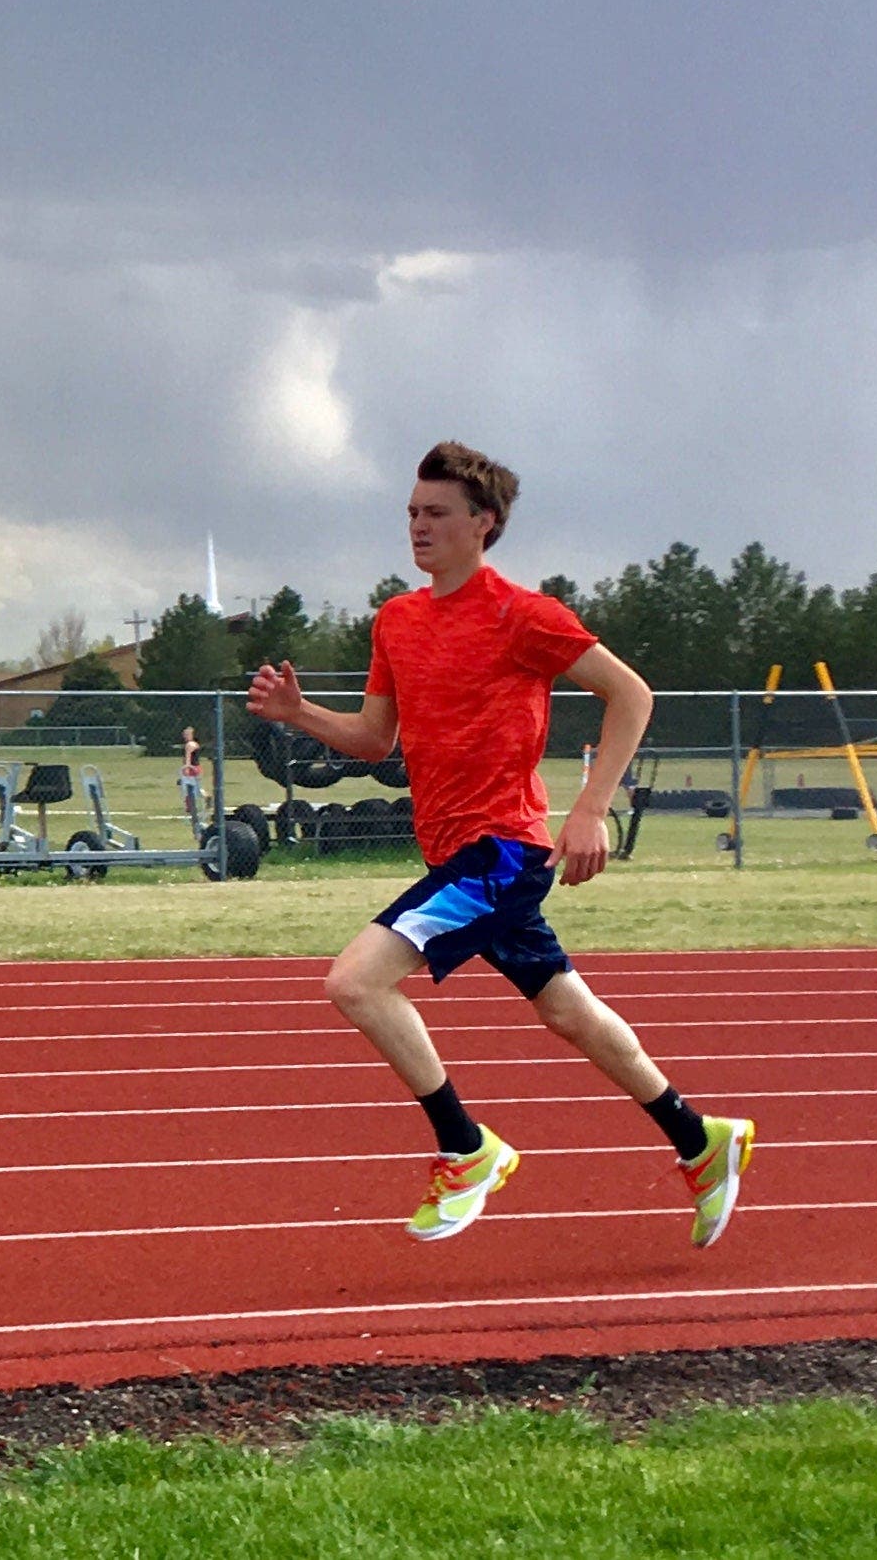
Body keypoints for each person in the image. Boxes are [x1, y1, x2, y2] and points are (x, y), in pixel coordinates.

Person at [247, 441, 753, 1247]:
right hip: (450, 851)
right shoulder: (398, 620)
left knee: (355, 983)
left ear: (482, 524)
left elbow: (630, 693)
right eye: (411, 512)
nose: (417, 526)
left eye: (436, 513)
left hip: (503, 851)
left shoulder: (524, 614)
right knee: (566, 1010)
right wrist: (300, 715)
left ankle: (464, 1146)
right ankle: (700, 1139)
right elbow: (377, 740)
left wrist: (590, 810)